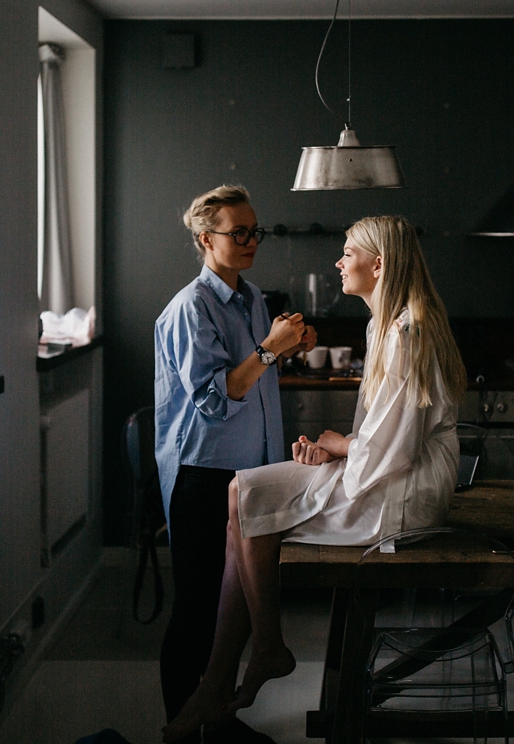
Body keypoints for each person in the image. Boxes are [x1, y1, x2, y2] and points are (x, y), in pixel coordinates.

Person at [162, 215, 468, 743]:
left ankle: (256, 654)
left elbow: (389, 447)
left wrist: (339, 446)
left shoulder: (407, 331)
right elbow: (384, 440)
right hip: (390, 473)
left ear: (380, 264)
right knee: (242, 499)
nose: (338, 262)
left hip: (405, 492)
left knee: (242, 494)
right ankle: (235, 670)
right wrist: (338, 451)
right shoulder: (387, 324)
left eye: (347, 253)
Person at [154, 185, 316, 744]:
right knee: (198, 610)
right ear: (205, 239)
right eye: (236, 233)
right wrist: (270, 350)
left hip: (249, 474)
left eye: (255, 232)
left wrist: (279, 347)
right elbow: (213, 400)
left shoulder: (251, 298)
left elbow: (255, 375)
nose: (250, 242)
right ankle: (182, 727)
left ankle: (216, 721)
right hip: (203, 474)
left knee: (233, 612)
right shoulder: (189, 308)